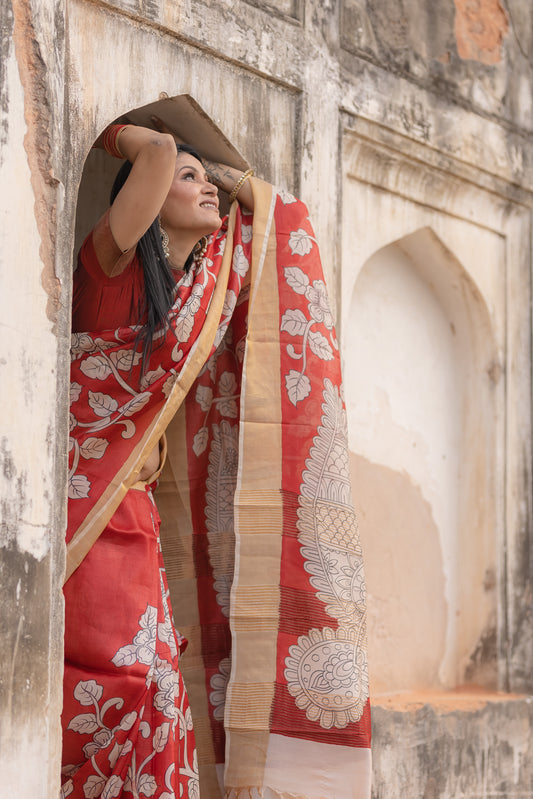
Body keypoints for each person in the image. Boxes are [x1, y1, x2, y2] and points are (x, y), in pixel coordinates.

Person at [64, 117, 371, 799]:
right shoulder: (110, 263)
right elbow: (157, 150)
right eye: (189, 179)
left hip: (135, 520)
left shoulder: (190, 299)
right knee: (110, 689)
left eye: (209, 179)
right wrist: (110, 127)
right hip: (90, 516)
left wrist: (232, 191)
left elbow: (252, 243)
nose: (207, 188)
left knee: (156, 693)